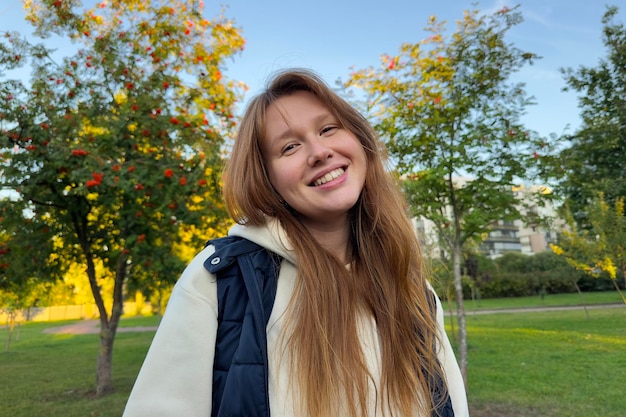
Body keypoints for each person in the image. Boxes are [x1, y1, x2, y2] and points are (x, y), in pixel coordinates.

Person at [122, 69, 469, 417]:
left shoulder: (410, 285)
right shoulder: (220, 280)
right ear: (265, 177)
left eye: (328, 129)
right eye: (289, 146)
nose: (319, 152)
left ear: (359, 140)